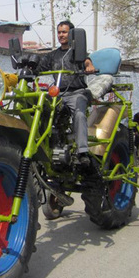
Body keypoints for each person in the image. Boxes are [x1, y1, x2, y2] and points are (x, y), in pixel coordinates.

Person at [38, 20, 96, 168]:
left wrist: (89, 66)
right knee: (39, 109)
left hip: (77, 92)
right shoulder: (52, 55)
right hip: (58, 94)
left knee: (79, 114)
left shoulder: (78, 52)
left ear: (72, 34)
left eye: (64, 32)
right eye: (59, 32)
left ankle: (83, 151)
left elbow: (87, 62)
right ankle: (44, 145)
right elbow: (39, 67)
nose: (61, 35)